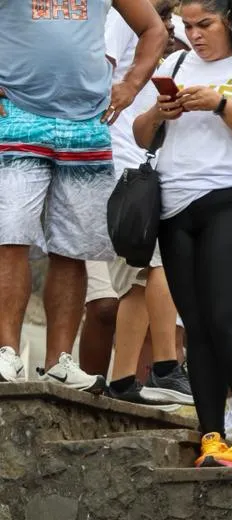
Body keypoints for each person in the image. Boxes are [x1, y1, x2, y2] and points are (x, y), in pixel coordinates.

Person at [133, 0, 232, 466]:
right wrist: (161, 113)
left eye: (204, 24)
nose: (195, 34)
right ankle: (212, 437)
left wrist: (221, 104)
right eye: (187, 25)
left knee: (226, 317)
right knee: (197, 328)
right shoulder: (174, 63)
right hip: (174, 201)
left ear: (230, 19)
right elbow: (142, 135)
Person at [0, 0, 166, 390]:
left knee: (73, 247)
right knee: (10, 235)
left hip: (86, 119)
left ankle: (59, 360)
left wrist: (130, 85)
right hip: (17, 111)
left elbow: (154, 29)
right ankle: (5, 351)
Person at [100, 0, 195, 406]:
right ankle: (166, 368)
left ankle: (122, 379)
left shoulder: (178, 30)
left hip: (142, 161)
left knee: (140, 273)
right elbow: (98, 76)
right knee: (160, 261)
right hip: (119, 159)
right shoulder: (121, 18)